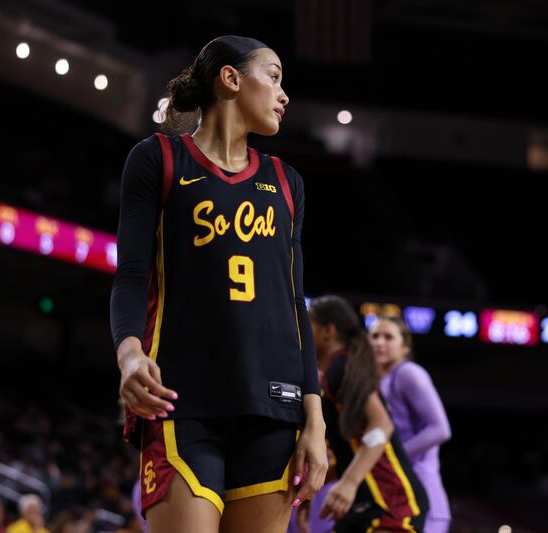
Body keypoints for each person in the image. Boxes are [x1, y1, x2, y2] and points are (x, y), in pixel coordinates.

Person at [109, 35, 327, 533]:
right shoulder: (157, 159)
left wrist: (314, 420)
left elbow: (296, 304)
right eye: (272, 77)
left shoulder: (287, 181)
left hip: (275, 407)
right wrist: (128, 354)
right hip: (181, 399)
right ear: (230, 78)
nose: (283, 93)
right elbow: (131, 274)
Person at [308, 295, 427, 531]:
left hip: (391, 504)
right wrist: (312, 489)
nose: (298, 330)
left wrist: (349, 482)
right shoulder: (334, 371)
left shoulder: (342, 368)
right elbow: (351, 451)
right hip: (366, 504)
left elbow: (381, 425)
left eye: (306, 323)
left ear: (327, 330)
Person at [368, 315, 452, 532]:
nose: (379, 342)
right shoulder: (373, 381)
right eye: (374, 336)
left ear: (405, 347)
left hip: (422, 495)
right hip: (396, 495)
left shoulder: (408, 373)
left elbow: (440, 429)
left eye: (388, 337)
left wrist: (391, 456)